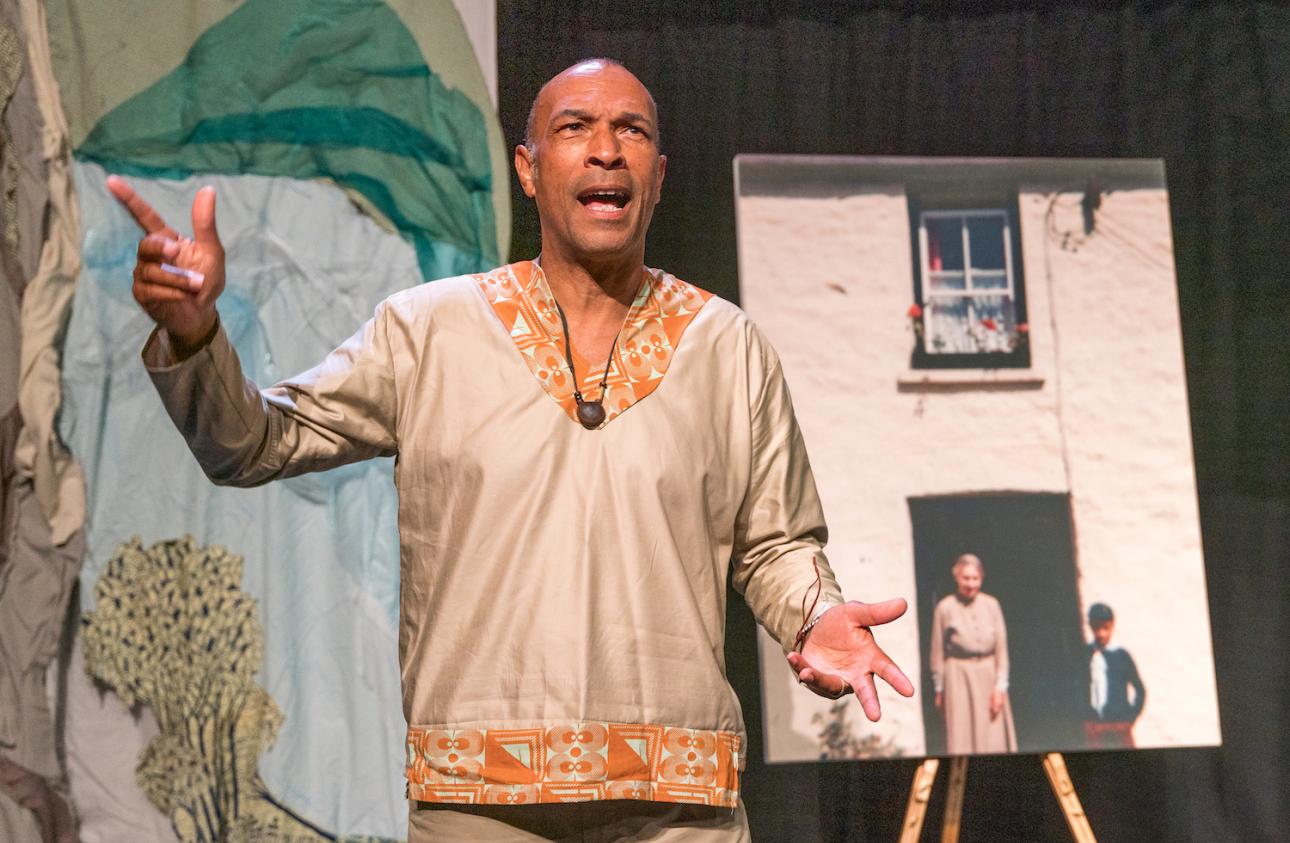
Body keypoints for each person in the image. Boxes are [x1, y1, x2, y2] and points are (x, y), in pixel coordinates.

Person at [107, 58, 914, 841]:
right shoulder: (426, 331)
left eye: (630, 130)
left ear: (659, 176)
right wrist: (194, 332)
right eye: (577, 128)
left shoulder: (726, 345)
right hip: (481, 803)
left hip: (677, 801)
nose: (606, 148)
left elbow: (775, 540)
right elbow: (253, 440)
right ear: (529, 170)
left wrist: (816, 613)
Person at [929, 553, 1017, 754]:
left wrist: (1000, 688)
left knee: (994, 738)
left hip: (988, 675)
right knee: (962, 737)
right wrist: (940, 689)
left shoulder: (992, 605)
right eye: (966, 578)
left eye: (975, 578)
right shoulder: (945, 608)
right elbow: (937, 652)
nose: (970, 584)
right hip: (958, 678)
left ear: (982, 578)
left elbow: (1001, 650)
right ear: (957, 578)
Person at [1082, 602, 1145, 749]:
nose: (1101, 633)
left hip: (1119, 725)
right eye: (1096, 627)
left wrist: (1130, 717)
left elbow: (1140, 689)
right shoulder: (1085, 654)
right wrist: (1084, 718)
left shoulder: (1122, 656)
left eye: (1105, 628)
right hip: (1095, 727)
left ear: (1112, 626)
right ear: (1090, 626)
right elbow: (1078, 687)